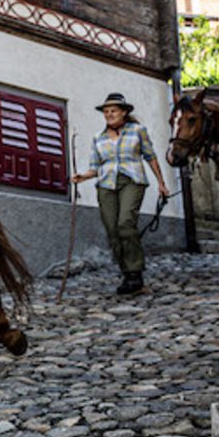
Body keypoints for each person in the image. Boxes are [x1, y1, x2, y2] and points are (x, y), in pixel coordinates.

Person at [70, 92, 169, 295]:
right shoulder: (98, 138)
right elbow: (95, 167)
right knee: (112, 230)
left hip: (132, 181)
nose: (109, 114)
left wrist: (161, 183)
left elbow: (150, 157)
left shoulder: (138, 131)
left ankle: (135, 274)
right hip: (106, 184)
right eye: (106, 111)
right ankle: (127, 274)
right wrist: (83, 177)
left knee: (125, 223)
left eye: (113, 111)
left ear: (124, 112)